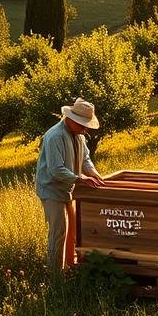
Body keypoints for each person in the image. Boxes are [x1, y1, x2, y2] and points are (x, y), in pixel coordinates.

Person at [35, 97, 105, 271]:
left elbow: (85, 159)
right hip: (51, 189)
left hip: (69, 188)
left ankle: (69, 267)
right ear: (72, 119)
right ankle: (55, 275)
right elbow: (56, 169)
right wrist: (80, 179)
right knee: (58, 232)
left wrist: (95, 175)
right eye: (83, 125)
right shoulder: (54, 136)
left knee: (72, 229)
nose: (85, 129)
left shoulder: (79, 135)